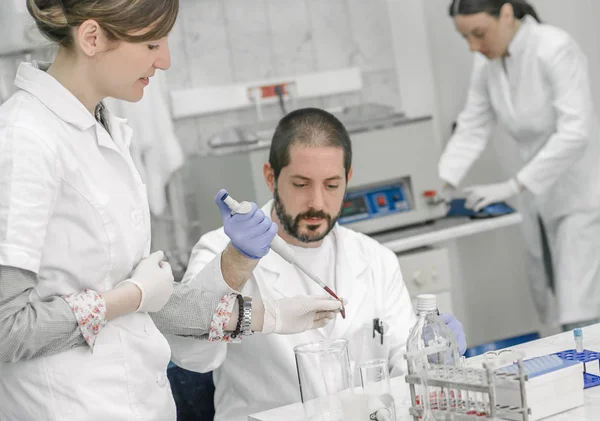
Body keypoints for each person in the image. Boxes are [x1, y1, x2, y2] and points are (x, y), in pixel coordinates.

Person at [0, 2, 341, 420]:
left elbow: (150, 294)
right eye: (151, 44)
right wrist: (127, 297)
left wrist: (269, 315)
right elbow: (7, 329)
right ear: (92, 38)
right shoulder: (25, 139)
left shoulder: (102, 129)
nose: (164, 61)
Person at [169, 108, 467, 421]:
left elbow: (403, 369)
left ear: (348, 179)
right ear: (271, 176)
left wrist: (429, 354)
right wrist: (237, 262)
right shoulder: (221, 249)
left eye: (331, 185)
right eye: (301, 184)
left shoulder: (375, 259)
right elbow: (191, 357)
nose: (317, 202)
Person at [439, 0, 600, 331]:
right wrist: (443, 184)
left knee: (579, 310)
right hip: (537, 197)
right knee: (552, 299)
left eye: (479, 34)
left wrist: (514, 185)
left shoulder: (554, 47)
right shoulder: (489, 62)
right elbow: (473, 123)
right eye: (465, 38)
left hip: (581, 194)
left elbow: (576, 133)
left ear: (507, 14)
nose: (473, 46)